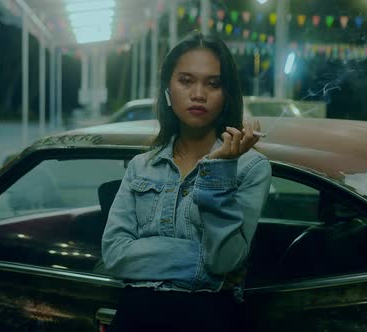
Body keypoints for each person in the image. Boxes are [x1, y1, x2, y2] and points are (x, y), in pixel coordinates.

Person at [101, 31, 272, 332]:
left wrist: (220, 170)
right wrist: (202, 269)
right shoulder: (143, 166)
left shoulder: (250, 168)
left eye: (213, 83)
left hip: (207, 320)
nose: (198, 94)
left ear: (227, 93)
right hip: (134, 319)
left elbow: (223, 260)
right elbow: (115, 255)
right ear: (168, 88)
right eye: (186, 80)